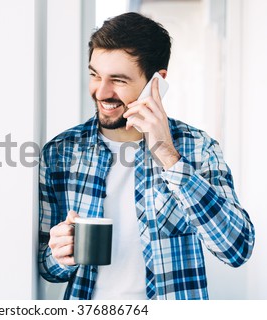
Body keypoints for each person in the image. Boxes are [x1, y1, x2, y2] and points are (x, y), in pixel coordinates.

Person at [38, 12, 255, 300]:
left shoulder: (198, 147)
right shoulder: (60, 152)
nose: (101, 92)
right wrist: (59, 254)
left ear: (157, 81)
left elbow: (237, 249)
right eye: (94, 75)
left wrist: (169, 156)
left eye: (118, 80)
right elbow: (48, 268)